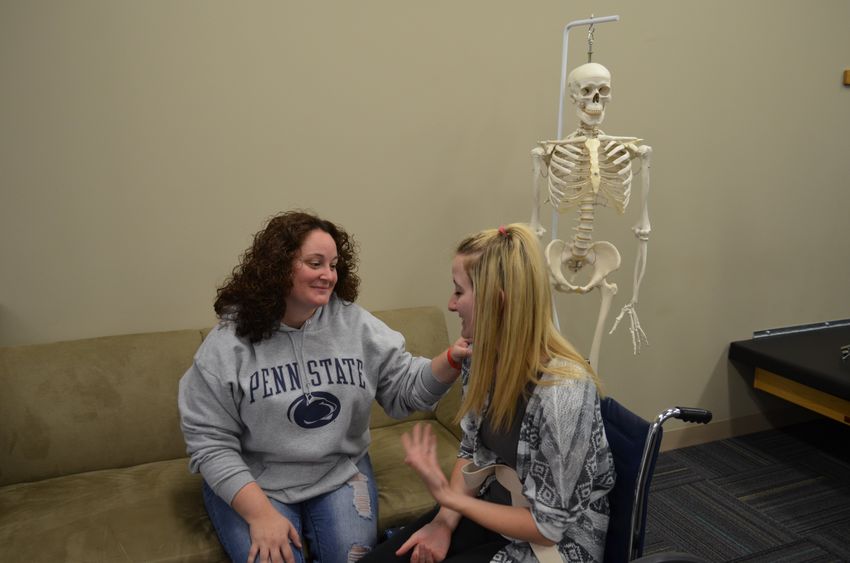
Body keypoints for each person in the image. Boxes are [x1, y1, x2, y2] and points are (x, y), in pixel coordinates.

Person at [178, 211, 469, 563]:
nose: (328, 275)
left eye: (333, 265)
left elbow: (403, 391)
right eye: (315, 263)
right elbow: (209, 443)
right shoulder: (228, 343)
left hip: (339, 472)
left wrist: (452, 359)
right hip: (256, 483)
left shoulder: (353, 323)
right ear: (278, 266)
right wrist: (260, 515)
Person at [362, 223, 615, 563]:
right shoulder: (480, 357)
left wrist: (452, 501)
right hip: (495, 510)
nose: (451, 305)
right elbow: (472, 451)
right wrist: (442, 523)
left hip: (556, 543)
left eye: (459, 292)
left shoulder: (565, 395)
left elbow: (547, 527)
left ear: (497, 302)